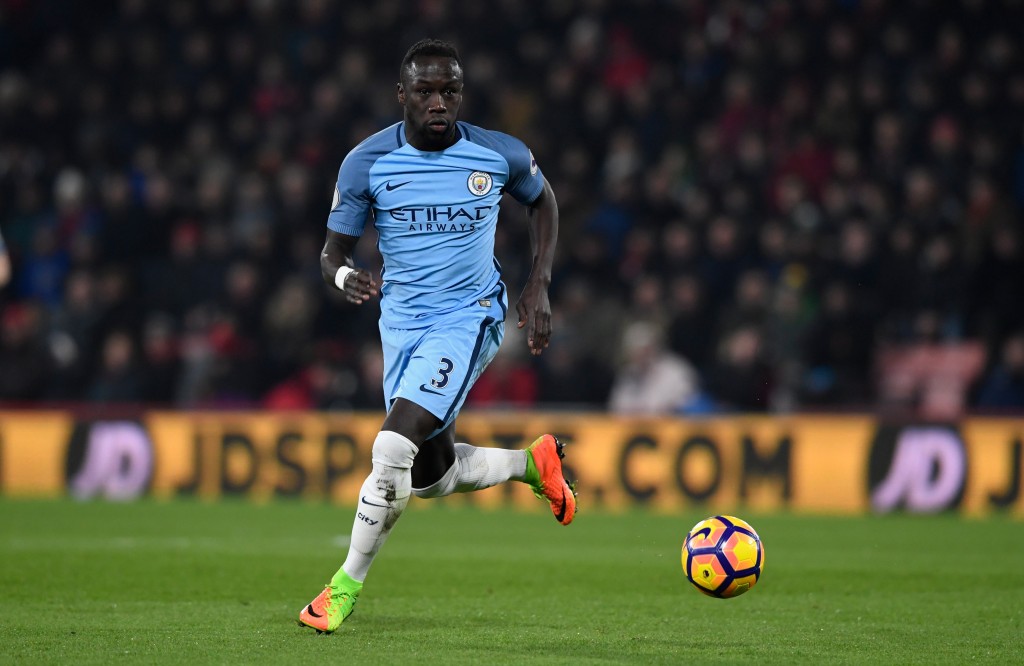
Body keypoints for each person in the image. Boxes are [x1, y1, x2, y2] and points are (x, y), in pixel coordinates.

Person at [299, 39, 576, 634]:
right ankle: (533, 464)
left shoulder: (497, 154)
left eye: (448, 90)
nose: (437, 102)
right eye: (424, 91)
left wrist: (539, 281)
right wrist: (346, 276)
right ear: (402, 95)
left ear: (461, 94)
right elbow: (331, 253)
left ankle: (341, 589)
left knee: (391, 449)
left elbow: (543, 200)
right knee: (428, 476)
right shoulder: (366, 162)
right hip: (401, 325)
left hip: (470, 316)